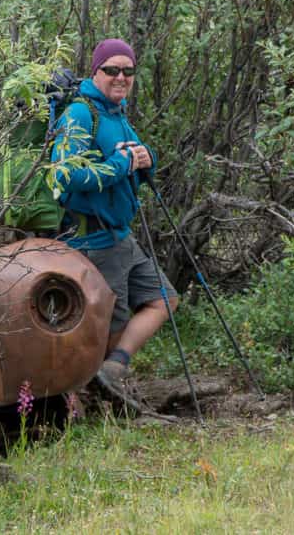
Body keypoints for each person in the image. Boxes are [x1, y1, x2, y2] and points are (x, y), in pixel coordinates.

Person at [50, 39, 178, 409]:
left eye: (128, 71)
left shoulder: (115, 112)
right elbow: (66, 175)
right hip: (94, 239)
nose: (121, 77)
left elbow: (139, 153)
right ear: (95, 72)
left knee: (163, 298)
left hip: (121, 237)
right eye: (112, 70)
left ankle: (113, 371)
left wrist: (145, 157)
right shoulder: (79, 114)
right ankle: (88, 401)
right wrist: (123, 164)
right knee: (107, 325)